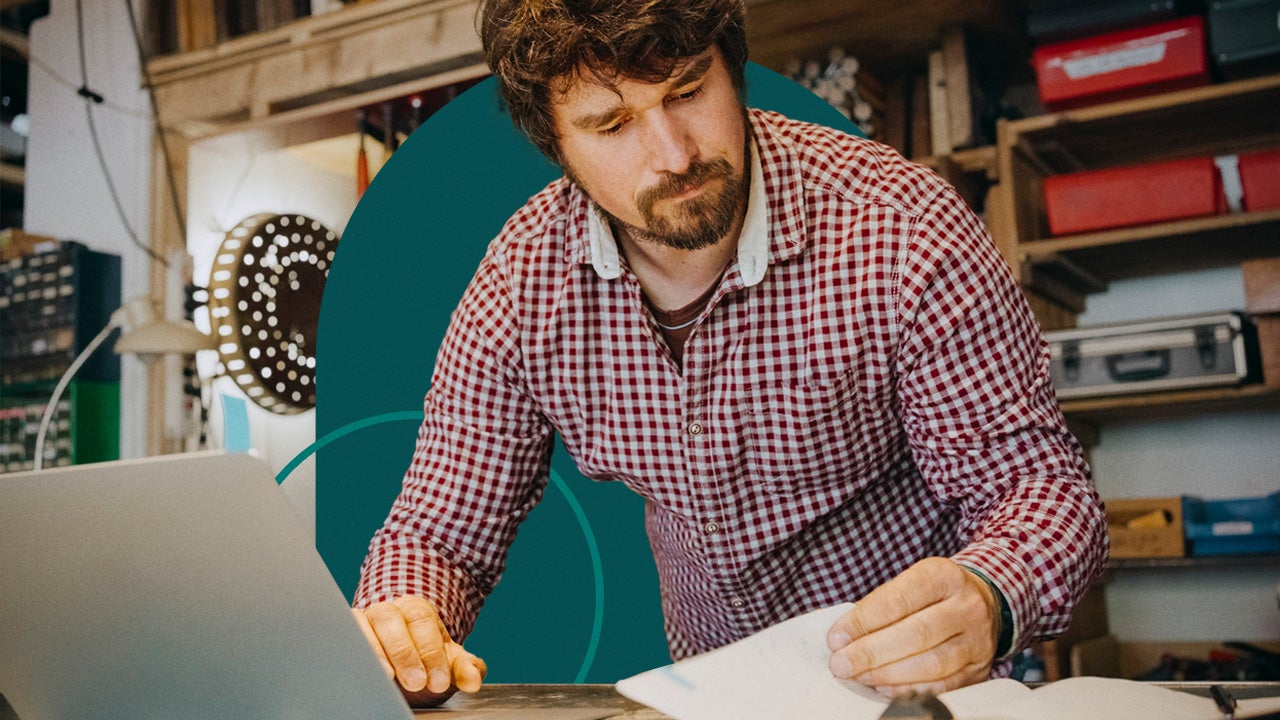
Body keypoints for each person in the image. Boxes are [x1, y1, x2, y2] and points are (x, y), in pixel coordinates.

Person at [351, 0, 1109, 707]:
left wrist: (990, 595)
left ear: (733, 67)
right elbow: (436, 534)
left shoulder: (903, 228)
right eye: (612, 125)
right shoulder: (522, 284)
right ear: (557, 145)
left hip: (915, 697)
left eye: (686, 91)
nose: (674, 155)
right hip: (709, 699)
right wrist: (401, 620)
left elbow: (1039, 489)